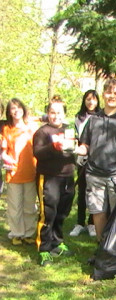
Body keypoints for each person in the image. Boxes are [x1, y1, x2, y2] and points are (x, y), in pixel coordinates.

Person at [76, 79, 116, 244]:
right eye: (109, 92)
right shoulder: (94, 119)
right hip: (94, 175)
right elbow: (84, 147)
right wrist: (72, 149)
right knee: (98, 212)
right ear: (103, 94)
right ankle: (102, 248)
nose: (112, 96)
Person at [33, 99, 76, 266]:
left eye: (59, 112)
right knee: (48, 213)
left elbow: (73, 149)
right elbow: (37, 153)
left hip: (67, 176)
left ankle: (57, 242)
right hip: (49, 177)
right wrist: (53, 146)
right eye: (52, 112)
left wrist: (79, 149)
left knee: (62, 212)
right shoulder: (42, 132)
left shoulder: (69, 129)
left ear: (64, 113)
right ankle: (43, 249)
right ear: (48, 113)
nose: (56, 115)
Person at [1, 98, 38, 246]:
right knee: (14, 207)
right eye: (12, 108)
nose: (16, 111)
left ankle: (29, 233)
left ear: (23, 109)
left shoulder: (32, 127)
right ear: (9, 112)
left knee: (29, 206)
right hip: (14, 173)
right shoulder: (6, 129)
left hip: (31, 171)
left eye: (18, 107)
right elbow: (4, 152)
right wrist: (5, 158)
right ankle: (16, 233)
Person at [69, 90, 101, 237]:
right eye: (88, 99)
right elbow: (75, 137)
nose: (91, 102)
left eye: (93, 100)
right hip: (81, 159)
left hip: (96, 160)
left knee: (93, 192)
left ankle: (92, 223)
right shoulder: (78, 117)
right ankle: (79, 222)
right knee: (82, 191)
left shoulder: (101, 117)